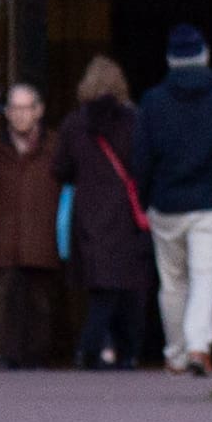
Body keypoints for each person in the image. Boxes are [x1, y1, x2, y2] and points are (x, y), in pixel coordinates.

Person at [53, 56, 157, 368]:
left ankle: (92, 349)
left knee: (101, 291)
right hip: (127, 215)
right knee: (130, 292)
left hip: (88, 216)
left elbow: (60, 169)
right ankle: (125, 353)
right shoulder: (135, 120)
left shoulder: (73, 124)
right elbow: (145, 164)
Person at [135, 23, 212, 375]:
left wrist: (146, 199)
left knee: (173, 283)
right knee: (206, 277)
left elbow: (142, 157)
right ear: (205, 57)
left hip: (167, 203)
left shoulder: (153, 101)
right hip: (210, 202)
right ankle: (198, 347)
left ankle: (174, 353)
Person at [0, 81, 65, 372]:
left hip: (43, 240)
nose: (19, 115)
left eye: (25, 108)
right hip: (6, 240)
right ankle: (8, 359)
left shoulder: (55, 147)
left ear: (38, 111)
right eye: (13, 108)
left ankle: (38, 359)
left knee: (42, 305)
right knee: (6, 302)